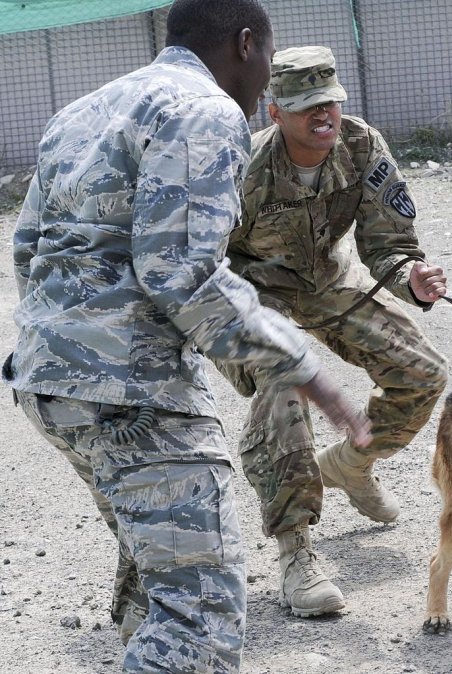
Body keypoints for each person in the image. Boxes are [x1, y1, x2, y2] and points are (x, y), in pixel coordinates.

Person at [4, 6, 370, 673]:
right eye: (268, 58)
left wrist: (57, 347)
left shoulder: (86, 110)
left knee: (155, 571)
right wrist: (299, 364)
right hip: (137, 398)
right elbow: (182, 275)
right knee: (196, 621)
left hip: (49, 385)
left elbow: (28, 247)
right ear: (246, 43)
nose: (266, 81)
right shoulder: (204, 112)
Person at [225, 45, 449, 618]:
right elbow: (204, 260)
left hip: (327, 279)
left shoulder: (361, 144)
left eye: (329, 102)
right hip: (255, 294)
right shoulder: (242, 169)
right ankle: (296, 548)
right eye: (305, 107)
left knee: (422, 373)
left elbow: (389, 245)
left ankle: (349, 465)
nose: (323, 116)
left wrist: (411, 278)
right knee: (284, 379)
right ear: (274, 113)